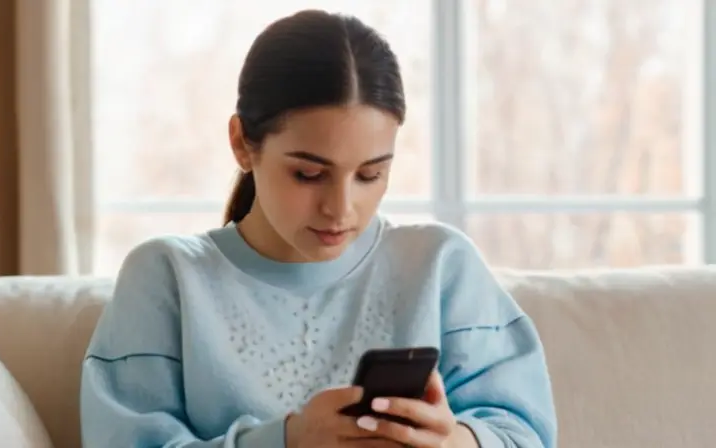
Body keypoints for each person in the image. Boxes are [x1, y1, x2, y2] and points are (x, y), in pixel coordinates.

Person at [80, 9, 557, 448]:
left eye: (371, 174)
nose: (341, 209)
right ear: (242, 143)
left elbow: (526, 433)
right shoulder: (167, 276)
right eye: (309, 174)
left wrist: (455, 441)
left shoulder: (440, 265)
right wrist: (286, 441)